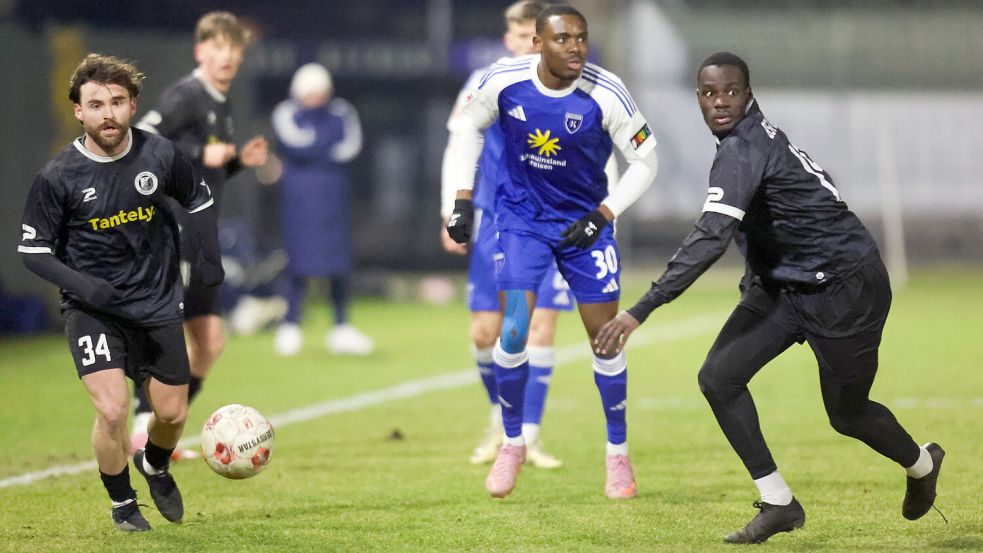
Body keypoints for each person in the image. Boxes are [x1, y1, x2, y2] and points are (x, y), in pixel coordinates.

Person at [594, 52, 944, 543]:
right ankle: (779, 501)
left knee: (847, 414)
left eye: (731, 92)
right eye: (710, 93)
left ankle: (923, 465)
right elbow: (763, 218)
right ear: (699, 98)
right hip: (783, 285)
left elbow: (712, 236)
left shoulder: (744, 147)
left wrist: (639, 310)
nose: (720, 102)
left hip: (844, 288)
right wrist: (756, 277)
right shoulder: (743, 143)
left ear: (749, 93)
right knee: (719, 377)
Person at [446, 5, 659, 499]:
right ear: (537, 44)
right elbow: (467, 131)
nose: (575, 48)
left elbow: (647, 160)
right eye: (563, 39)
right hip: (521, 222)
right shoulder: (504, 80)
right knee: (515, 329)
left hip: (586, 227)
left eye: (581, 38)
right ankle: (513, 443)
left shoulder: (607, 92)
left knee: (605, 340)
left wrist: (604, 215)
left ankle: (617, 455)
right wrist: (460, 200)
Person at [18, 53, 223, 531]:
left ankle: (153, 462)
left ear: (132, 106)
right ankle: (123, 504)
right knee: (111, 410)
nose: (106, 113)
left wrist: (209, 258)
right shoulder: (58, 177)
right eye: (95, 104)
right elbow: (32, 250)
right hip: (95, 311)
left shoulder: (159, 154)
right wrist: (84, 285)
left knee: (171, 414)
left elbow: (198, 199)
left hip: (157, 304)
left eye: (116, 102)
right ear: (79, 112)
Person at [441, 0, 587, 469]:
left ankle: (528, 438)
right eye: (524, 34)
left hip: (554, 224)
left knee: (540, 325)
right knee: (486, 331)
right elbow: (460, 143)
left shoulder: (576, 83)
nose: (532, 43)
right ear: (511, 39)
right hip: (494, 221)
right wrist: (452, 207)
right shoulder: (484, 82)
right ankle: (499, 417)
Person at [132, 11, 269, 456]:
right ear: (200, 51)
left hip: (202, 235)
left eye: (235, 48)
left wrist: (235, 163)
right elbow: (142, 137)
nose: (227, 56)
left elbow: (203, 172)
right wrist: (198, 149)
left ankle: (161, 430)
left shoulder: (219, 99)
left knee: (209, 343)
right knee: (169, 336)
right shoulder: (187, 94)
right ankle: (141, 425)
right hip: (173, 232)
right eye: (218, 47)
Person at [269, 62, 374, 357]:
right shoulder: (285, 113)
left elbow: (350, 147)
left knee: (338, 262)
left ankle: (341, 327)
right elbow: (296, 144)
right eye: (311, 92)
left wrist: (315, 151)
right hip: (299, 198)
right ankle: (290, 325)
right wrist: (323, 148)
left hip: (334, 195)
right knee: (297, 261)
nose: (317, 98)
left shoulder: (343, 112)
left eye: (322, 92)